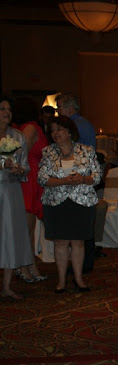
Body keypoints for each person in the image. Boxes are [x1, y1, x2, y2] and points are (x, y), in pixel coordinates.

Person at [38, 116, 101, 294]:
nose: (55, 133)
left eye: (59, 129)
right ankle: (61, 280)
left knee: (78, 242)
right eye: (52, 131)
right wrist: (63, 181)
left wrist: (83, 179)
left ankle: (79, 279)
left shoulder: (86, 151)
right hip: (56, 202)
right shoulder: (48, 152)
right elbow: (41, 179)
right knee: (60, 242)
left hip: (82, 201)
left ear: (69, 131)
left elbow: (97, 176)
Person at [11, 96, 48, 283]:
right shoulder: (30, 127)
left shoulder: (22, 128)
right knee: (26, 228)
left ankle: (30, 265)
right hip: (28, 179)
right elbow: (21, 154)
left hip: (31, 178)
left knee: (30, 228)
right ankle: (23, 267)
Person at [0, 96, 32, 300]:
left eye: (9, 109)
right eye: (2, 108)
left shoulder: (18, 136)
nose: (7, 112)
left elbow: (26, 166)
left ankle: (7, 286)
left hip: (11, 191)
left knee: (10, 236)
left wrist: (19, 169)